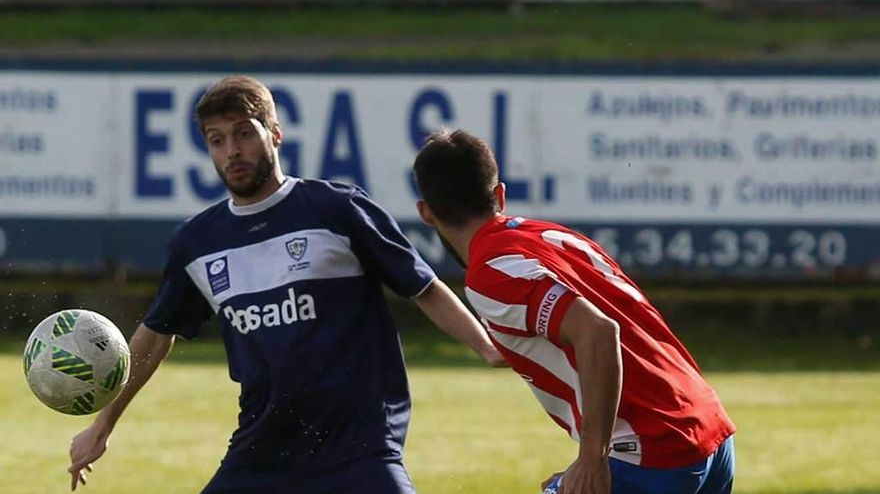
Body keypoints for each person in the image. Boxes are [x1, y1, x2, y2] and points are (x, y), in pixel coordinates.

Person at [68, 76, 503, 494]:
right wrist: (103, 424)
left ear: (274, 134)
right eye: (216, 140)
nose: (231, 151)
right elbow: (156, 334)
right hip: (261, 455)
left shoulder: (337, 209)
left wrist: (485, 347)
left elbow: (422, 287)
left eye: (243, 134)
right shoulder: (197, 243)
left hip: (358, 451)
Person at [412, 129, 737, 494]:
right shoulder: (554, 237)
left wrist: (592, 458)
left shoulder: (491, 272)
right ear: (499, 195)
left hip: (653, 452)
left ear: (426, 212)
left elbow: (598, 332)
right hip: (707, 427)